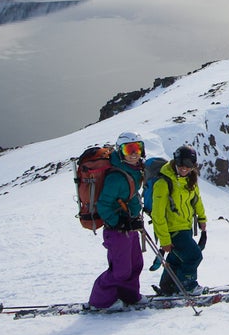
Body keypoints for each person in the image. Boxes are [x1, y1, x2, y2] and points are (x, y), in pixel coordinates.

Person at [88, 132, 146, 309]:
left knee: (135, 263)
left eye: (137, 148)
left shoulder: (134, 170)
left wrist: (135, 218)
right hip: (117, 230)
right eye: (128, 149)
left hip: (130, 225)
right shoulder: (116, 177)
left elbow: (132, 197)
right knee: (121, 270)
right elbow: (103, 204)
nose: (134, 153)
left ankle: (129, 296)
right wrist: (118, 222)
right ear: (121, 151)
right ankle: (100, 301)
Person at [151, 145, 207, 295]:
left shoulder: (190, 180)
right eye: (180, 163)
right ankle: (187, 287)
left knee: (176, 261)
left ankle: (168, 288)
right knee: (194, 256)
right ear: (175, 162)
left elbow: (197, 201)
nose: (184, 167)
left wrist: (202, 218)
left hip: (186, 227)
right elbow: (157, 214)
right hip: (173, 230)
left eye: (189, 164)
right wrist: (164, 239)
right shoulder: (163, 183)